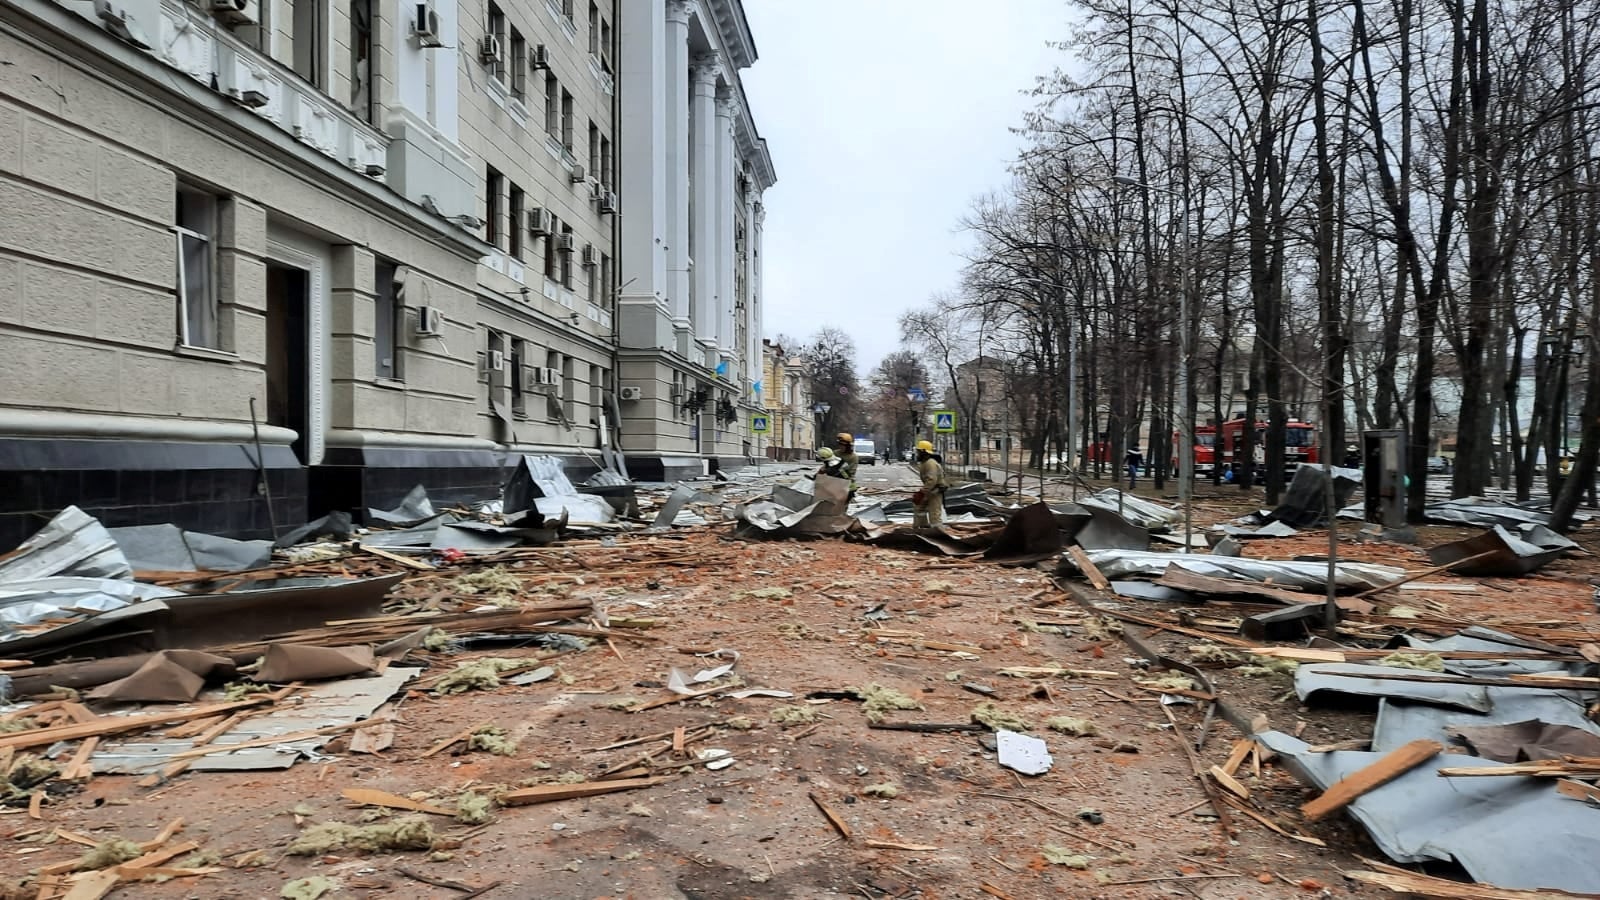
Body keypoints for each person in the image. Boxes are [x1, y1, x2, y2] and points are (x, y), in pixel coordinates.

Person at [912, 439, 949, 528]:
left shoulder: (930, 463)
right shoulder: (926, 463)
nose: (917, 454)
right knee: (919, 507)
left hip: (935, 490)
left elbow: (931, 480)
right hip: (931, 490)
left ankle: (937, 532)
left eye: (918, 452)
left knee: (934, 513)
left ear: (923, 452)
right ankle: (922, 527)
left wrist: (922, 492)